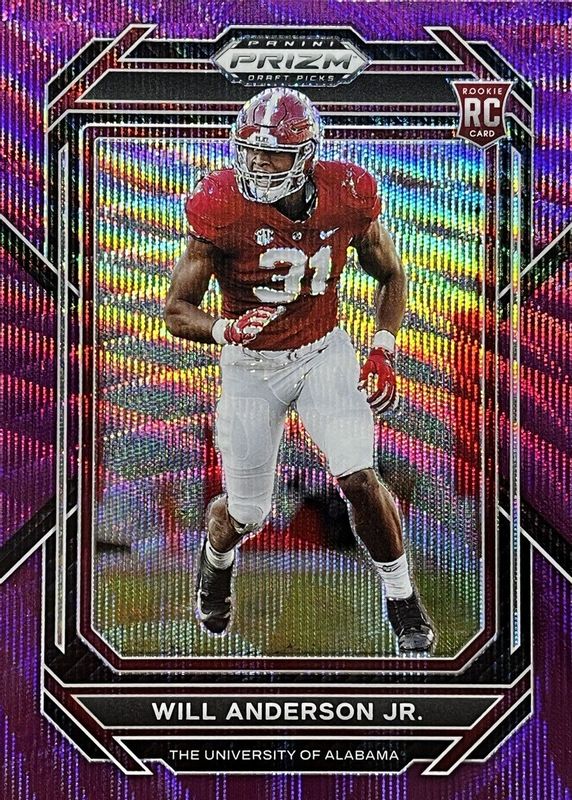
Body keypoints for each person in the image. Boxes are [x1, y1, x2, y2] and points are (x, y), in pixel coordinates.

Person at [165, 88, 436, 654]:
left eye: (274, 154)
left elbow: (390, 274)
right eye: (251, 150)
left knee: (359, 476)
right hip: (251, 367)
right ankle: (216, 562)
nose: (259, 163)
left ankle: (402, 598)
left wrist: (382, 346)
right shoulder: (219, 203)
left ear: (307, 155)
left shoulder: (348, 192)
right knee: (246, 513)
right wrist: (224, 329)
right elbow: (177, 310)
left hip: (322, 353)